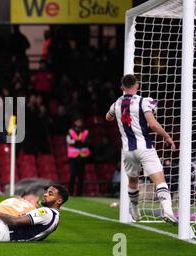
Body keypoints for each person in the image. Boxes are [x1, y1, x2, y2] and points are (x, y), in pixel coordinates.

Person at [106, 74, 177, 224]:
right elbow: (153, 125)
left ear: (122, 87)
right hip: (144, 147)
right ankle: (168, 211)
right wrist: (167, 137)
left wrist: (118, 115)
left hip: (128, 151)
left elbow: (108, 117)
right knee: (160, 180)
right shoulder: (144, 101)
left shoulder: (116, 104)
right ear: (137, 85)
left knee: (133, 181)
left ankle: (135, 210)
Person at [66, 117, 90, 196]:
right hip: (73, 157)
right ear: (75, 122)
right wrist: (79, 142)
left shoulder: (86, 132)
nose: (79, 123)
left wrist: (76, 142)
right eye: (78, 121)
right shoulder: (70, 131)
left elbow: (87, 142)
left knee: (81, 175)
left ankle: (79, 193)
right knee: (73, 175)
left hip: (82, 156)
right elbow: (69, 142)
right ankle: (70, 192)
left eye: (80, 121)